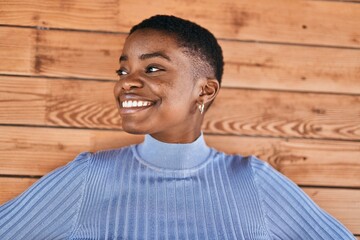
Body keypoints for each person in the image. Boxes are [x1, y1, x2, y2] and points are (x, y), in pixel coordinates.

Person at [0, 15, 355, 240]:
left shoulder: (254, 181)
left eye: (152, 68)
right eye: (123, 71)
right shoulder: (88, 176)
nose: (127, 82)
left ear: (205, 90)